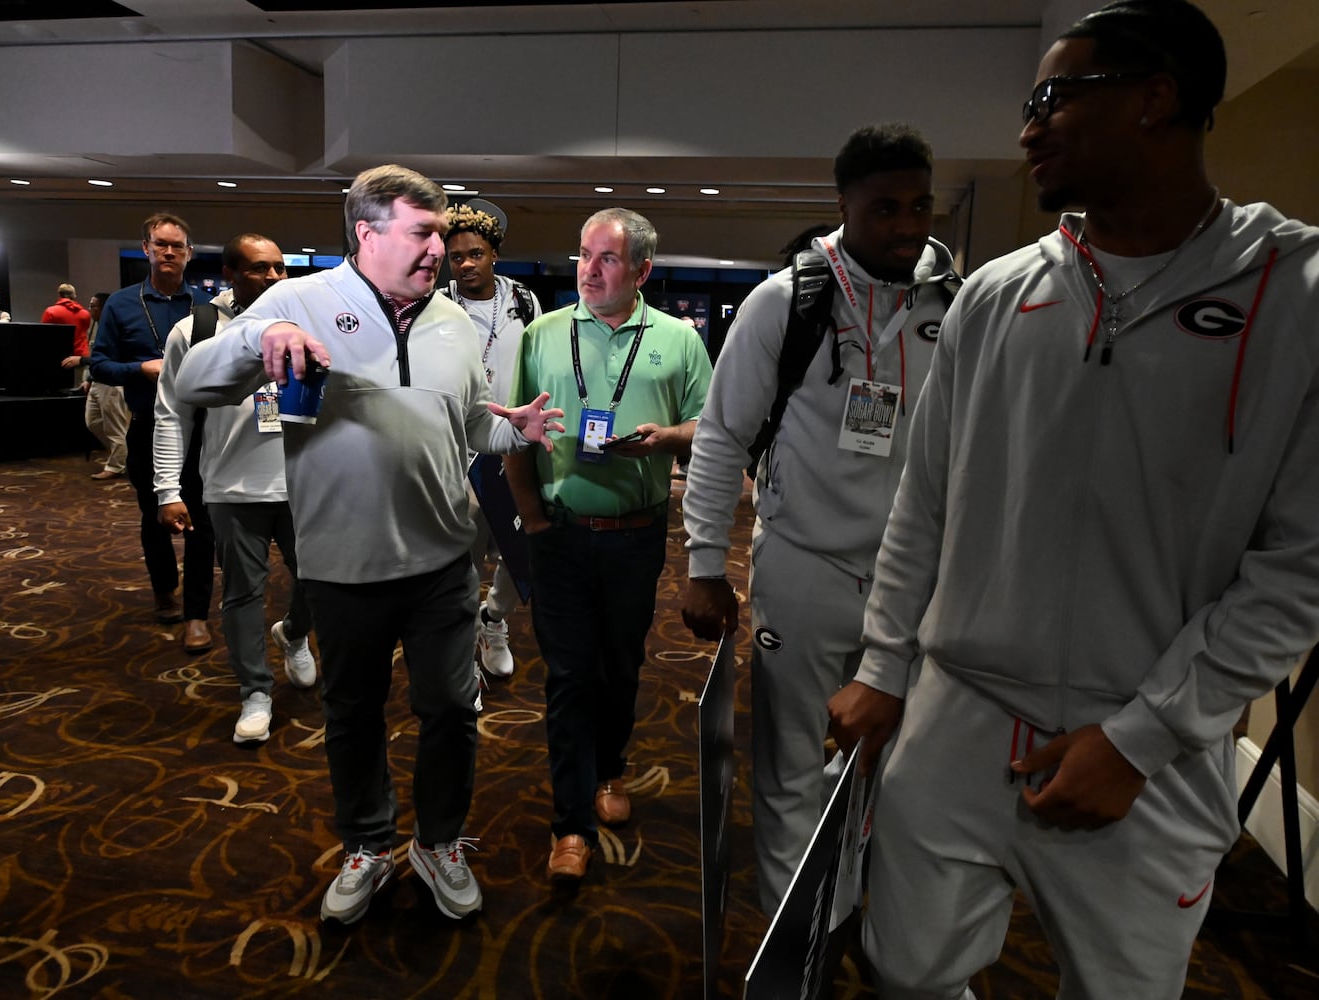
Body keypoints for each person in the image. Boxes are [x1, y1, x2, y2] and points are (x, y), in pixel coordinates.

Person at [827, 3, 1319, 997]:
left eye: (1054, 98)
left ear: (1156, 98)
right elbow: (923, 502)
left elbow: (1300, 563)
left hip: (1148, 749)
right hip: (954, 716)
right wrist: (885, 664)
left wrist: (1142, 739)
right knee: (906, 974)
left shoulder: (1294, 294)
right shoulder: (996, 294)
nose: (1026, 128)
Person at [170, 164, 563, 925]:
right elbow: (193, 383)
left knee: (451, 709)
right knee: (354, 713)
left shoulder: (449, 318)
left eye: (443, 236)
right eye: (423, 234)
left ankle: (439, 840)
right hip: (343, 564)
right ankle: (369, 843)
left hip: (445, 561)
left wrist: (512, 425)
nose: (439, 251)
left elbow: (467, 424)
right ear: (367, 233)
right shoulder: (300, 301)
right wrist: (265, 337)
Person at [679, 123, 957, 917]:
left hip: (915, 582)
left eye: (920, 206)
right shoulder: (788, 300)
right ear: (844, 206)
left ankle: (859, 905)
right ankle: (796, 938)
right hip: (805, 567)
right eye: (884, 209)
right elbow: (723, 434)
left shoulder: (957, 301)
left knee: (893, 761)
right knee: (791, 766)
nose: (908, 225)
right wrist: (704, 563)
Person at [504, 207, 713, 882]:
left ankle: (611, 770)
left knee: (619, 667)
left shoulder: (680, 339)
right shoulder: (542, 333)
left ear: (644, 271)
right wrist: (532, 518)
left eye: (608, 260)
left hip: (636, 534)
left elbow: (711, 427)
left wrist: (668, 437)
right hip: (560, 536)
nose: (588, 271)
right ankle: (570, 825)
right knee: (567, 676)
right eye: (583, 256)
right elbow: (514, 431)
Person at [153, 233, 315, 743]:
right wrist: (167, 489)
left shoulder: (303, 327)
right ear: (229, 274)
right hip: (232, 486)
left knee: (321, 580)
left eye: (279, 269)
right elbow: (171, 414)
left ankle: (292, 632)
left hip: (302, 482)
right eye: (258, 269)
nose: (272, 278)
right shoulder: (196, 330)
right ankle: (256, 692)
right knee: (243, 593)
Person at [89, 214, 214, 640]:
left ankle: (197, 612)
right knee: (154, 515)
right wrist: (140, 369)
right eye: (160, 245)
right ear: (146, 248)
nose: (168, 252)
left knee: (203, 521)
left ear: (189, 253)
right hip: (146, 426)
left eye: (177, 246)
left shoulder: (205, 306)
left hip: (201, 431)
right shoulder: (122, 304)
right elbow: (99, 364)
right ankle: (165, 591)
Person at [438, 203, 543, 681]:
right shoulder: (437, 305)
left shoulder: (524, 300)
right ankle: (461, 664)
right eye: (455, 256)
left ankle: (494, 619)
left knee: (519, 545)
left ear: (494, 254)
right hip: (459, 451)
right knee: (464, 556)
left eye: (474, 254)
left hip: (513, 446)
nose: (464, 264)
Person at [83, 292, 130, 481]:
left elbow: (110, 358)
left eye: (93, 306)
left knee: (115, 428)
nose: (90, 309)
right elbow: (95, 354)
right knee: (93, 422)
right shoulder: (96, 326)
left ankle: (117, 465)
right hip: (97, 381)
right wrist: (88, 377)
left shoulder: (118, 327)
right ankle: (122, 456)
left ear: (104, 308)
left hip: (112, 383)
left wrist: (81, 361)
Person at [45, 283, 93, 387]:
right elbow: (85, 330)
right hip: (80, 357)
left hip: (58, 358)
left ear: (59, 295)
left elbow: (44, 335)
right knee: (80, 388)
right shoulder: (85, 314)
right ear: (74, 295)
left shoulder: (51, 312)